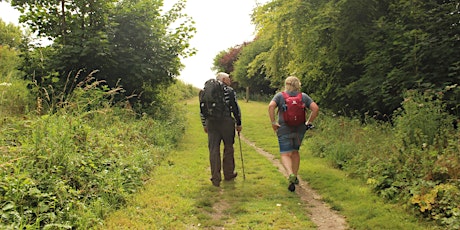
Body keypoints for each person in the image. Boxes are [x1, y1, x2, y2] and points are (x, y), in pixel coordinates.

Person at [268, 76, 319, 192]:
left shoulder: (280, 96)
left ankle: (290, 174)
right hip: (300, 128)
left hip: (284, 128)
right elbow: (315, 109)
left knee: (285, 154)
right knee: (295, 152)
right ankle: (295, 175)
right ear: (298, 85)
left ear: (286, 84)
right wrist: (309, 122)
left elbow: (271, 106)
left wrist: (273, 122)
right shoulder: (303, 96)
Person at [200, 72, 242, 187]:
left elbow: (202, 109)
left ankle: (215, 178)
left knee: (213, 149)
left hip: (211, 123)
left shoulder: (205, 91)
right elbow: (234, 107)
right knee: (228, 147)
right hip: (226, 122)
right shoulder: (229, 90)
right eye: (228, 78)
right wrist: (238, 123)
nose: (230, 80)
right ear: (223, 79)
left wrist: (204, 124)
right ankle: (228, 174)